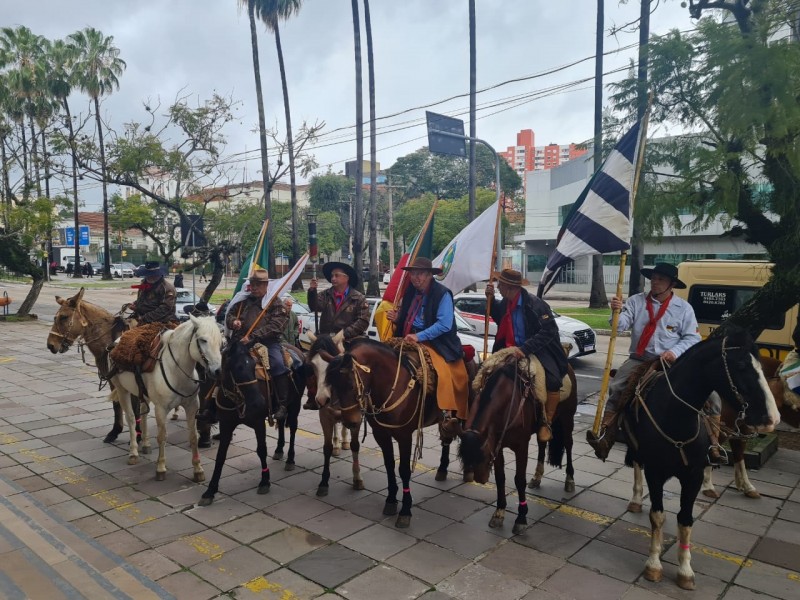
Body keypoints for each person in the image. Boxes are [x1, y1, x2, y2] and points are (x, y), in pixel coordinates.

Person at [588, 262, 703, 461]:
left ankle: (714, 444)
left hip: (670, 361)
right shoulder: (636, 301)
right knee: (616, 387)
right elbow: (621, 326)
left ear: (671, 284)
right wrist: (616, 312)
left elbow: (693, 338)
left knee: (709, 396)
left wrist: (674, 352)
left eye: (661, 279)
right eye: (653, 278)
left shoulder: (684, 309)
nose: (655, 282)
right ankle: (607, 435)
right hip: (640, 359)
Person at [485, 269, 569, 443]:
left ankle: (546, 422)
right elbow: (499, 317)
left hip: (539, 350)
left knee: (552, 381)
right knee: (485, 373)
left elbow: (549, 331)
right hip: (509, 349)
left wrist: (525, 348)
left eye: (500, 285)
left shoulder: (536, 305)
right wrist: (491, 300)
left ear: (509, 287)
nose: (498, 287)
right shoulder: (505, 303)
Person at [386, 257, 469, 429]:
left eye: (420, 274)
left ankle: (448, 412)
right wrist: (398, 318)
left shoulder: (442, 294)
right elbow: (409, 317)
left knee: (444, 371)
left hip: (437, 342)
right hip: (407, 338)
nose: (416, 277)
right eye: (413, 274)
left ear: (430, 275)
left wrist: (419, 336)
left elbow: (444, 324)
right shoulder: (410, 292)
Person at [199, 269, 291, 422]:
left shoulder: (275, 303)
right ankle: (211, 405)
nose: (254, 287)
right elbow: (229, 314)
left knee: (278, 365)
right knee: (219, 365)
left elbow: (276, 326)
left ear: (266, 285)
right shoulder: (242, 301)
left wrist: (254, 336)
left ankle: (282, 405)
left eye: (258, 285)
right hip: (240, 342)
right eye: (252, 284)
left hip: (267, 343)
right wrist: (233, 321)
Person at [305, 261, 370, 409]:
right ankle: (312, 395)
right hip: (326, 340)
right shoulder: (325, 295)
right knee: (309, 364)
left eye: (336, 275)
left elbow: (363, 321)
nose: (332, 278)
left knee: (359, 364)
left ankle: (362, 395)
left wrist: (345, 334)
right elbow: (315, 306)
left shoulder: (358, 298)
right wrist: (311, 292)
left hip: (349, 339)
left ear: (346, 278)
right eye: (332, 276)